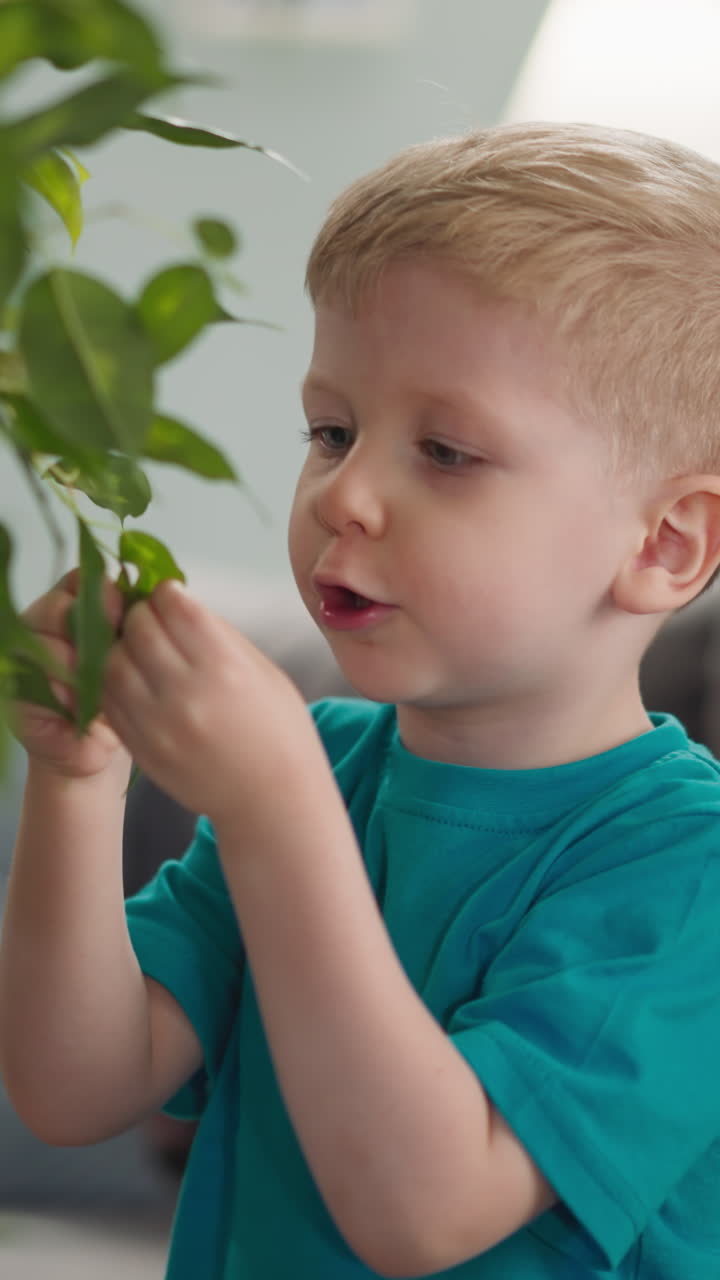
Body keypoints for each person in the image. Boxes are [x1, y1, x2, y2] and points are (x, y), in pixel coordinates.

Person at [2, 121, 720, 1279]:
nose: (347, 493)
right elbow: (73, 1083)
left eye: (444, 450)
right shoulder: (327, 759)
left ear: (667, 544)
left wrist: (276, 806)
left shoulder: (691, 870)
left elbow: (425, 1210)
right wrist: (80, 780)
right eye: (330, 430)